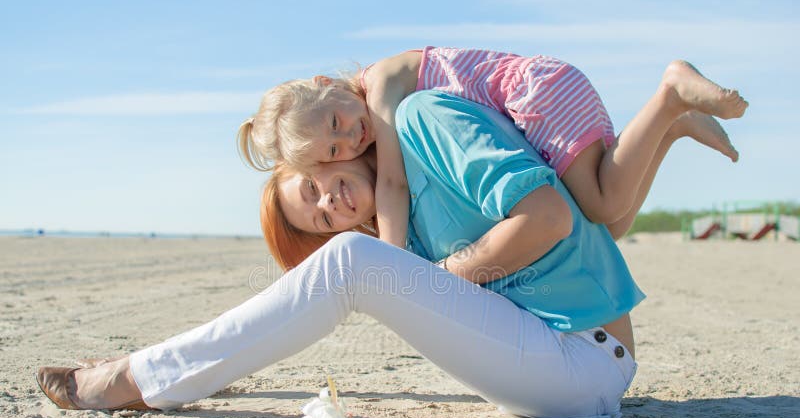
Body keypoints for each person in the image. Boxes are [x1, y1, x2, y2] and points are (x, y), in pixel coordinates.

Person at [36, 91, 739, 418]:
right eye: (315, 217)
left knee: (351, 264)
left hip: (584, 359)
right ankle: (185, 371)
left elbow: (552, 216)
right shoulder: (406, 221)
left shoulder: (426, 120)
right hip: (562, 359)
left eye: (311, 184)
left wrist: (446, 278)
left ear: (324, 147)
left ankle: (142, 375)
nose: (330, 204)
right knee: (353, 262)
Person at [238, 46, 747, 253]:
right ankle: (671, 127)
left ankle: (670, 94)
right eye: (333, 150)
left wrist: (391, 268)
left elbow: (392, 182)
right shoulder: (363, 113)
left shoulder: (382, 88)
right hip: (530, 111)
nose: (351, 139)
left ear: (328, 83)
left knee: (603, 203)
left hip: (536, 94)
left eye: (336, 123)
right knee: (610, 227)